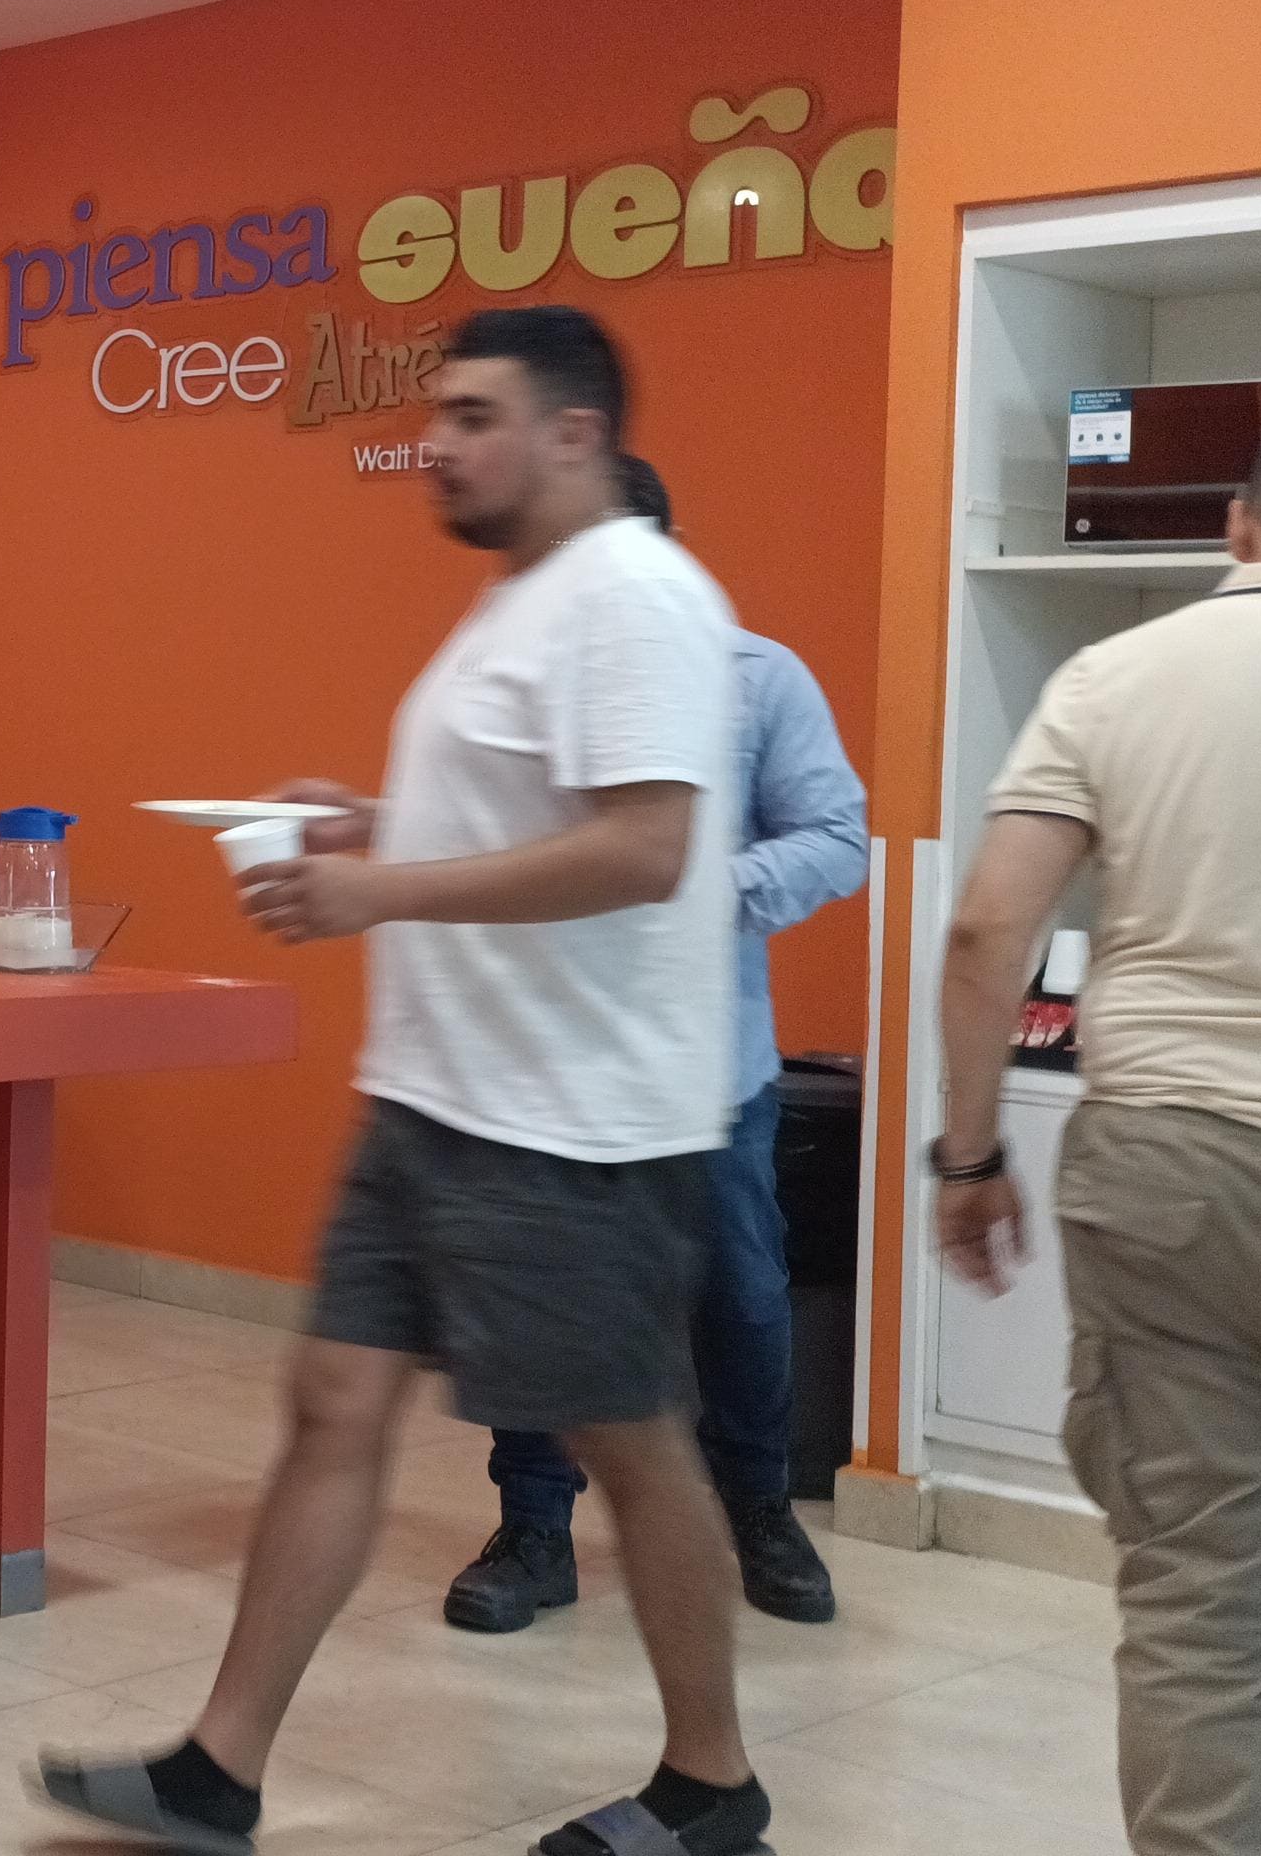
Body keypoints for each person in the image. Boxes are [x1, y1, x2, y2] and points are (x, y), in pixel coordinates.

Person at [43, 306, 769, 1856]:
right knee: (332, 1404)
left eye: (473, 416)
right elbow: (532, 810)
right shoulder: (520, 598)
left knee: (630, 1441)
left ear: (574, 434)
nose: (435, 443)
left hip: (569, 1118)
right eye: (437, 413)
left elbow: (647, 848)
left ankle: (713, 1785)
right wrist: (378, 819)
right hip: (437, 1096)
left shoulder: (637, 595)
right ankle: (218, 1770)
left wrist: (380, 891)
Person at [938, 418, 1261, 1856]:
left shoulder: (1114, 676)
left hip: (1172, 1171)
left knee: (1197, 1619)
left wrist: (970, 1157)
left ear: (1237, 525)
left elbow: (988, 931)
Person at [449, 453, 865, 1635]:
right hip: (539, 1059)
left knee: (740, 1295)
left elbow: (838, 835)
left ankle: (760, 1511)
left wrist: (707, 888)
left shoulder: (757, 679)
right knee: (539, 1293)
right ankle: (535, 1528)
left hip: (703, 1068)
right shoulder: (506, 690)